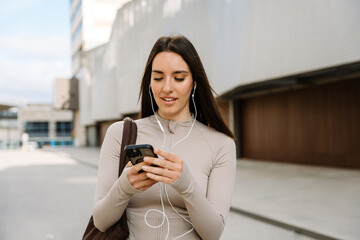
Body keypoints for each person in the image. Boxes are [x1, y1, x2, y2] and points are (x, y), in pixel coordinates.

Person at [93, 35, 237, 240]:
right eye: (158, 77)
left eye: (179, 78)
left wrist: (187, 185)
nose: (167, 87)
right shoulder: (120, 134)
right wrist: (124, 186)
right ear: (149, 82)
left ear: (194, 82)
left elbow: (213, 234)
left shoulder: (221, 145)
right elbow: (100, 221)